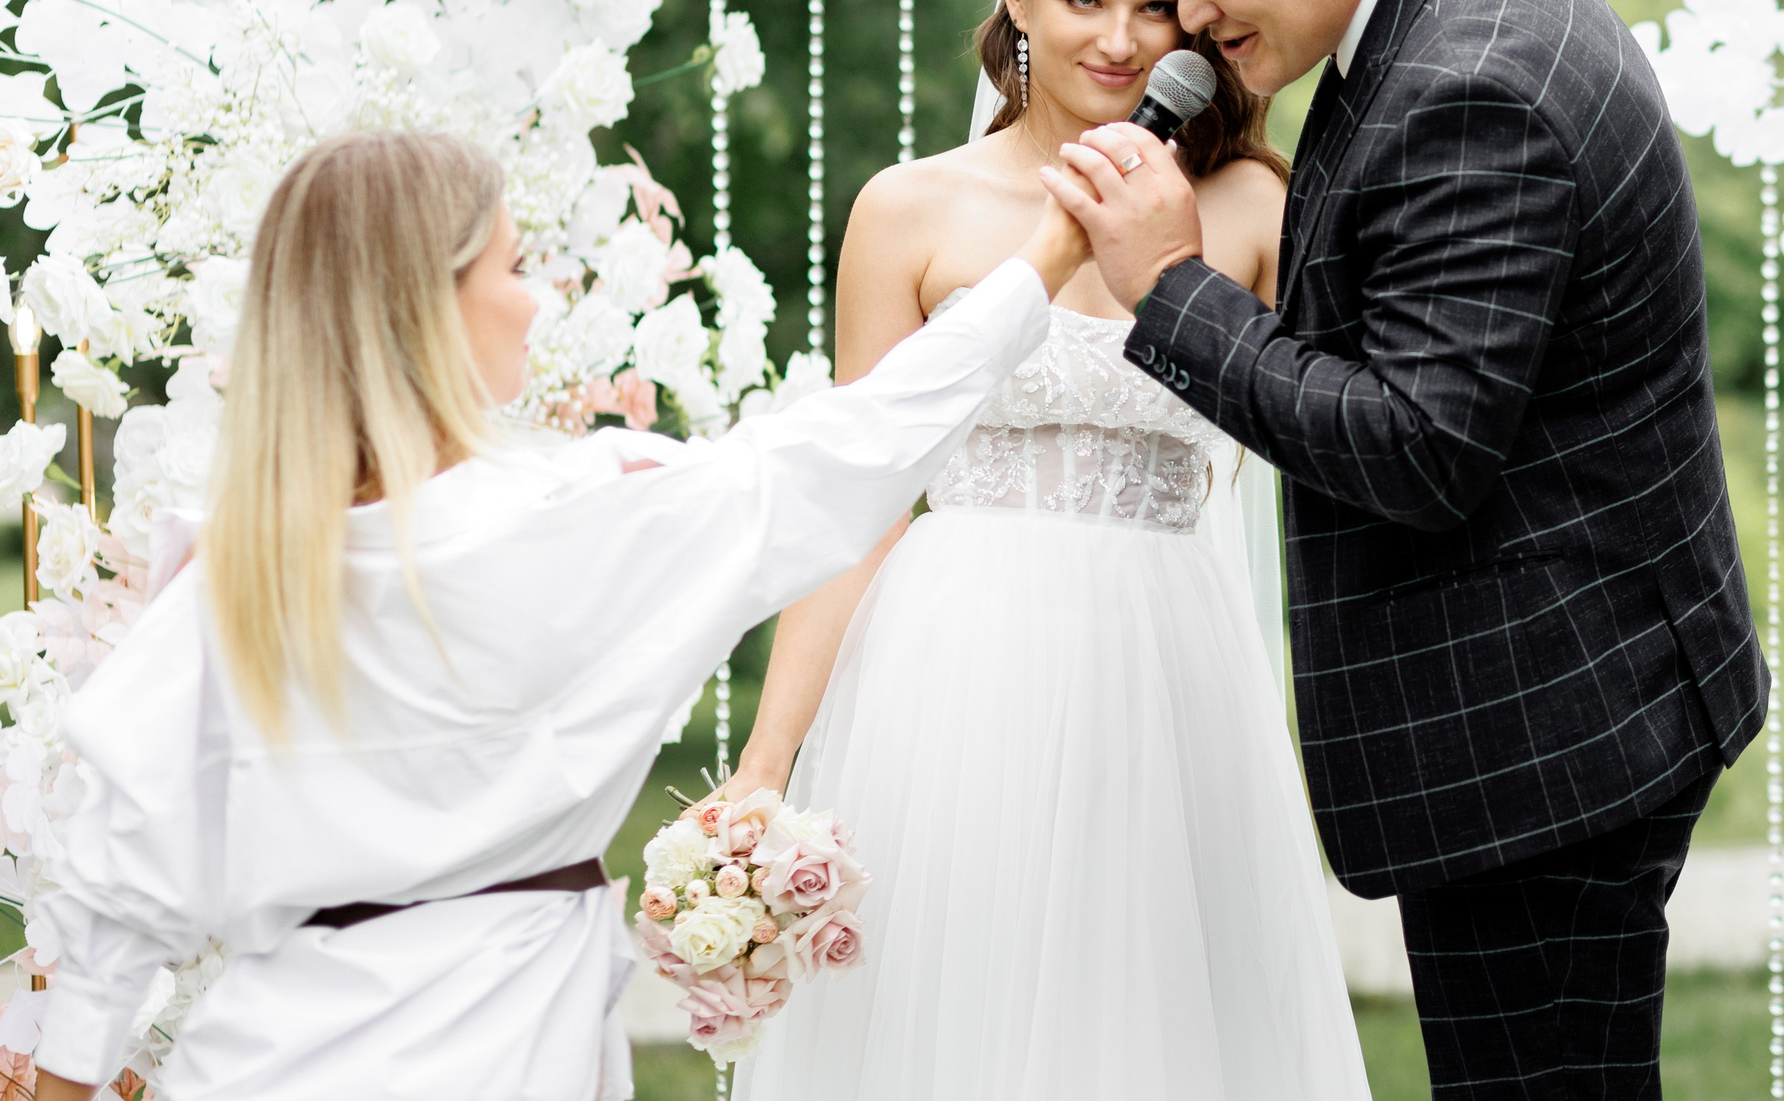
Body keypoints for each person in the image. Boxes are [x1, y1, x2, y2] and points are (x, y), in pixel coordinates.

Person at [26, 130, 1087, 1101]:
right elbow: (856, 449)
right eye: (515, 267)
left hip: (267, 1062)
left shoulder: (230, 579)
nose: (535, 301)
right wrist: (1043, 254)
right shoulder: (573, 524)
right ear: (428, 305)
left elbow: (112, 915)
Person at [1040, 0, 1770, 1101]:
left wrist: (1169, 288)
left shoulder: (1469, 82)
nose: (1187, 18)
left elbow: (1415, 446)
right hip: (1572, 690)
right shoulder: (1441, 8)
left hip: (1551, 731)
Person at [729, 0, 1369, 1101]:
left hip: (1167, 667)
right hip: (951, 672)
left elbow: (1336, 438)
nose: (1123, 40)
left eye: (1154, 6)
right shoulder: (909, 212)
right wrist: (765, 767)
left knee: (1154, 1029)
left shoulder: (1248, 207)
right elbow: (858, 503)